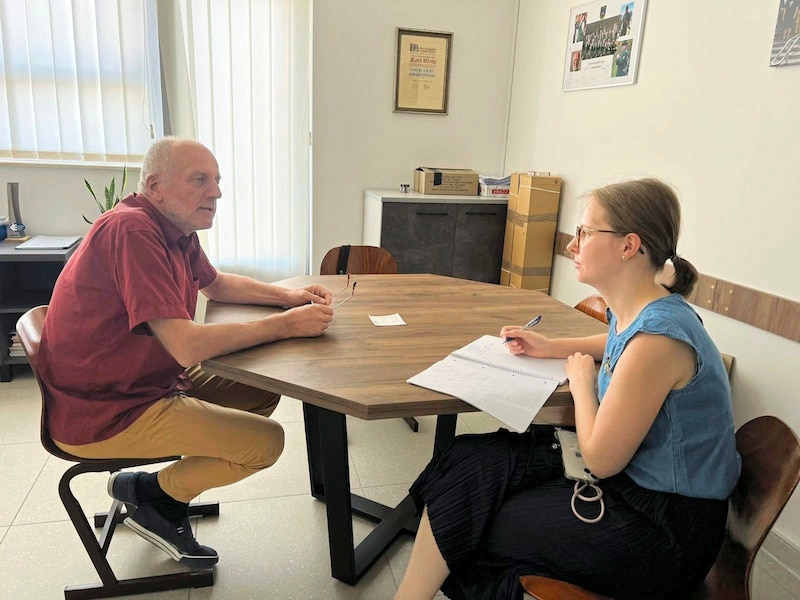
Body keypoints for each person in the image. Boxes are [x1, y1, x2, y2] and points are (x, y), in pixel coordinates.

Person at [394, 178, 741, 600]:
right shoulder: (643, 308)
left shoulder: (659, 340)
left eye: (585, 232)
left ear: (628, 246)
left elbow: (601, 459)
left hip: (663, 528)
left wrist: (582, 385)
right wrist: (552, 347)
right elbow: (616, 343)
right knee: (468, 461)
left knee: (480, 520)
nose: (573, 246)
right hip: (639, 490)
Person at [39, 136, 334, 567]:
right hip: (105, 413)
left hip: (137, 385)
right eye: (199, 180)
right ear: (155, 186)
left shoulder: (173, 229)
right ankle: (157, 496)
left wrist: (287, 298)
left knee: (261, 391)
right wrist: (286, 325)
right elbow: (186, 345)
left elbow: (216, 283)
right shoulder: (133, 230)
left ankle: (162, 488)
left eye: (216, 180)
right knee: (267, 443)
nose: (215, 192)